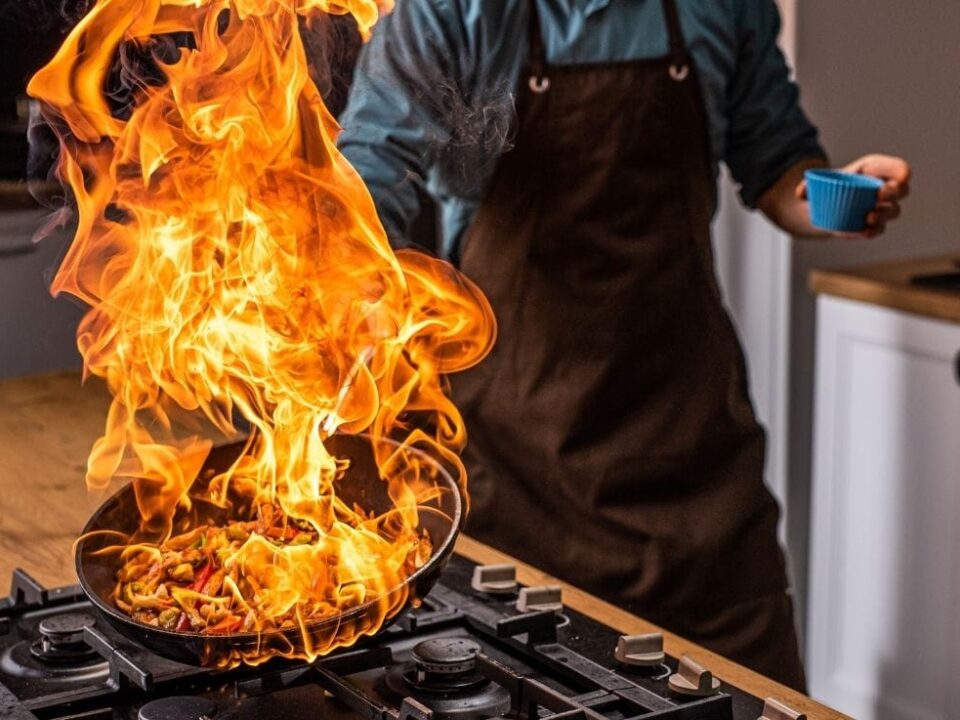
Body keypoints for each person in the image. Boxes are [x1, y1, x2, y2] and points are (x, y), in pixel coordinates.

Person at [336, 0, 910, 689]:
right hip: (519, 478)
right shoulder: (453, 12)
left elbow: (780, 166)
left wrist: (839, 197)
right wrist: (357, 284)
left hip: (696, 470)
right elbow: (370, 177)